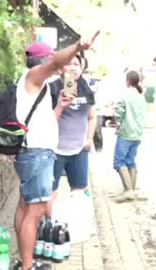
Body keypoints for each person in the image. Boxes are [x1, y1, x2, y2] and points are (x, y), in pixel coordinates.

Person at [13, 31, 99, 270]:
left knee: (24, 207)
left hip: (34, 151)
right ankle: (28, 266)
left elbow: (48, 120)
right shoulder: (33, 76)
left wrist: (60, 105)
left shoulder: (34, 85)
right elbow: (55, 63)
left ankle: (24, 262)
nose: (59, 67)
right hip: (36, 153)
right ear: (43, 60)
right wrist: (78, 46)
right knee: (35, 211)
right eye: (52, 60)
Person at [47, 53, 97, 218]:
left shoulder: (86, 88)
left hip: (79, 150)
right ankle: (49, 227)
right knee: (50, 191)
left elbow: (91, 117)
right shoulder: (52, 89)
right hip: (55, 150)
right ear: (61, 68)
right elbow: (45, 121)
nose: (73, 67)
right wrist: (61, 105)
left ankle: (77, 226)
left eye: (77, 64)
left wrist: (89, 139)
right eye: (69, 64)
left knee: (80, 191)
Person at [112, 70, 147, 203]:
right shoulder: (140, 96)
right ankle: (130, 190)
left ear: (127, 81)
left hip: (126, 133)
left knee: (119, 162)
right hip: (137, 134)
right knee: (130, 161)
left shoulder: (125, 95)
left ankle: (128, 191)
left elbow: (119, 112)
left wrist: (117, 125)